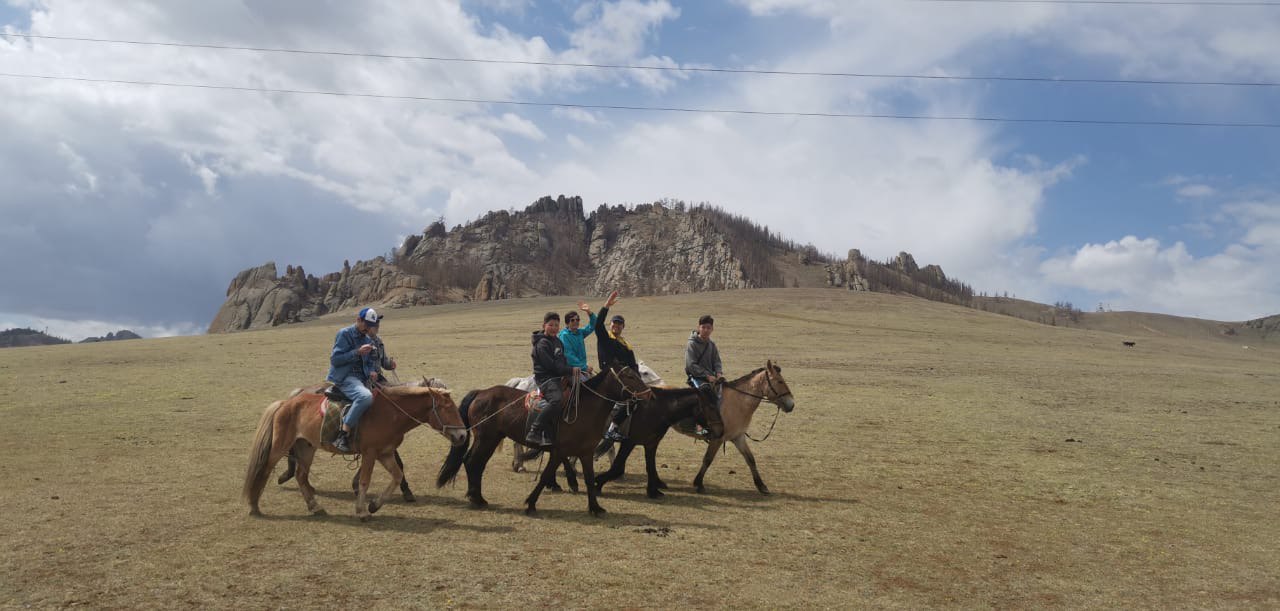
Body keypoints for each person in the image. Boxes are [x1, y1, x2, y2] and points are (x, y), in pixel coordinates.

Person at [330, 307, 383, 453]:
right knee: (365, 397)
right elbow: (335, 360)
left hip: (363, 378)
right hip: (346, 377)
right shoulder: (344, 334)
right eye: (366, 324)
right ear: (358, 320)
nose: (368, 328)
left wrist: (372, 371)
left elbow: (368, 362)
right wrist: (357, 352)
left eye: (371, 325)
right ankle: (343, 434)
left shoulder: (367, 339)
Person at [527, 312, 579, 447]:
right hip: (545, 379)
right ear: (544, 325)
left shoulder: (557, 341)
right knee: (557, 400)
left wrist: (572, 369)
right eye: (551, 325)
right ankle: (535, 430)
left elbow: (562, 361)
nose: (554, 328)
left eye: (557, 325)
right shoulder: (541, 344)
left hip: (558, 377)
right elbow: (550, 365)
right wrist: (569, 370)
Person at [594, 291, 640, 442]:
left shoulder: (626, 344)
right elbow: (598, 324)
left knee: (639, 396)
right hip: (610, 374)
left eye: (620, 324)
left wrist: (637, 379)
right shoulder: (605, 337)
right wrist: (606, 306)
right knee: (630, 398)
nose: (617, 326)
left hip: (624, 375)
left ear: (623, 327)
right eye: (615, 323)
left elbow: (633, 364)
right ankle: (612, 428)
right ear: (610, 324)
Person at [685, 314, 724, 437]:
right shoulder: (692, 344)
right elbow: (691, 365)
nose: (706, 330)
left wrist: (718, 373)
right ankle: (699, 425)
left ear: (712, 329)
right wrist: (707, 376)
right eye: (703, 327)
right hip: (696, 377)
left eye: (709, 327)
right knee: (705, 393)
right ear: (699, 327)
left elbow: (717, 361)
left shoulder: (712, 345)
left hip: (711, 377)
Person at [558, 300, 596, 380]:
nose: (575, 322)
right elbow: (569, 356)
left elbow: (593, 325)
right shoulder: (564, 336)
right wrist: (584, 367)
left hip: (581, 368)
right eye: (572, 320)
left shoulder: (579, 332)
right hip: (570, 369)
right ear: (567, 323)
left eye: (577, 319)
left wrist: (589, 312)